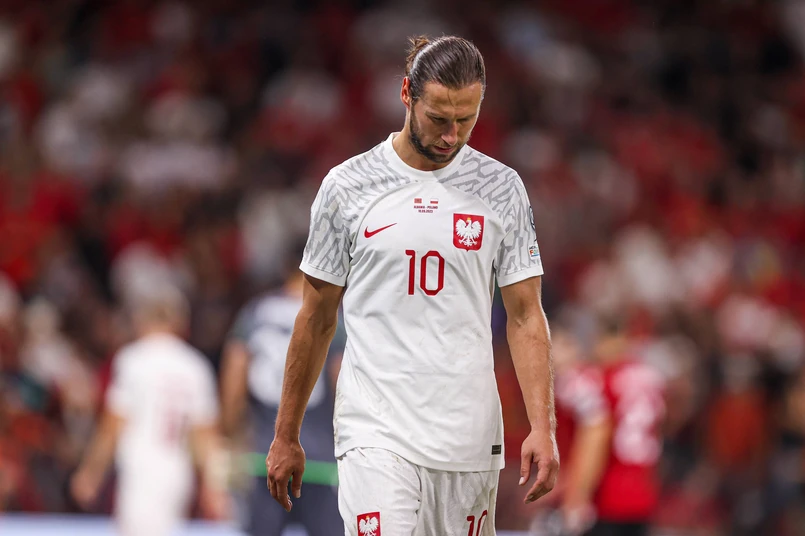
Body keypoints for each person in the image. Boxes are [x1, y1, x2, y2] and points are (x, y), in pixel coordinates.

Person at [266, 34, 559, 536]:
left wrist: (542, 426)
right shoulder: (347, 187)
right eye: (438, 118)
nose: (452, 135)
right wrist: (285, 433)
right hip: (374, 428)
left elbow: (526, 314)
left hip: (468, 437)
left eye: (466, 119)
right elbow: (315, 318)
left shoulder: (501, 188)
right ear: (407, 94)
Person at [70, 283, 226, 536]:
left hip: (141, 470)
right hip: (178, 472)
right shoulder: (195, 366)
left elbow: (113, 424)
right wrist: (215, 487)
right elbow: (206, 437)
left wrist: (91, 472)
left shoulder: (133, 360)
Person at [220, 244, 342, 535]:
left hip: (265, 457)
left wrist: (231, 432)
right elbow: (340, 381)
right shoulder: (330, 314)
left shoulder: (256, 313)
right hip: (319, 459)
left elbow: (235, 380)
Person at [556, 317, 665, 536]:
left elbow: (596, 433)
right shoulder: (648, 376)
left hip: (607, 496)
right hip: (643, 491)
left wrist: (577, 496)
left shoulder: (598, 379)